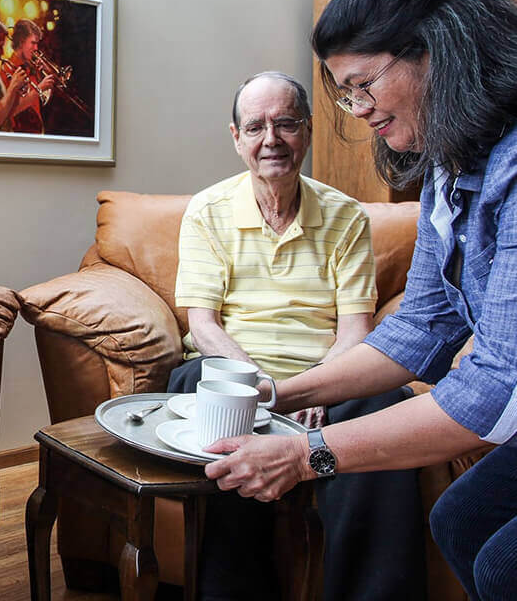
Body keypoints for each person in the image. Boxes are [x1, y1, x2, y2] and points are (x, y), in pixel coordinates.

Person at [203, 0, 517, 601]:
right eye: (344, 94)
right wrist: (277, 397)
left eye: (362, 85)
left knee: (501, 565)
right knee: (458, 519)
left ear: (438, 48)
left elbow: (496, 387)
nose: (357, 110)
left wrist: (305, 453)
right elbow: (423, 326)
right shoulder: (444, 167)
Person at [167, 71, 426, 600]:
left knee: (387, 402)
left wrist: (318, 385)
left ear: (306, 132)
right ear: (236, 137)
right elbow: (203, 324)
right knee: (211, 395)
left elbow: (355, 329)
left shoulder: (346, 216)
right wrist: (259, 385)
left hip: (324, 377)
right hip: (232, 370)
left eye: (286, 124)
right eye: (256, 126)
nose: (272, 140)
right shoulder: (208, 212)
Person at [0, 18, 55, 134]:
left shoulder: (30, 67)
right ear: (21, 42)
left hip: (37, 131)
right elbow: (9, 111)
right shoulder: (5, 69)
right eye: (33, 43)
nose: (36, 48)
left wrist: (42, 75)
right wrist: (39, 89)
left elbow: (41, 99)